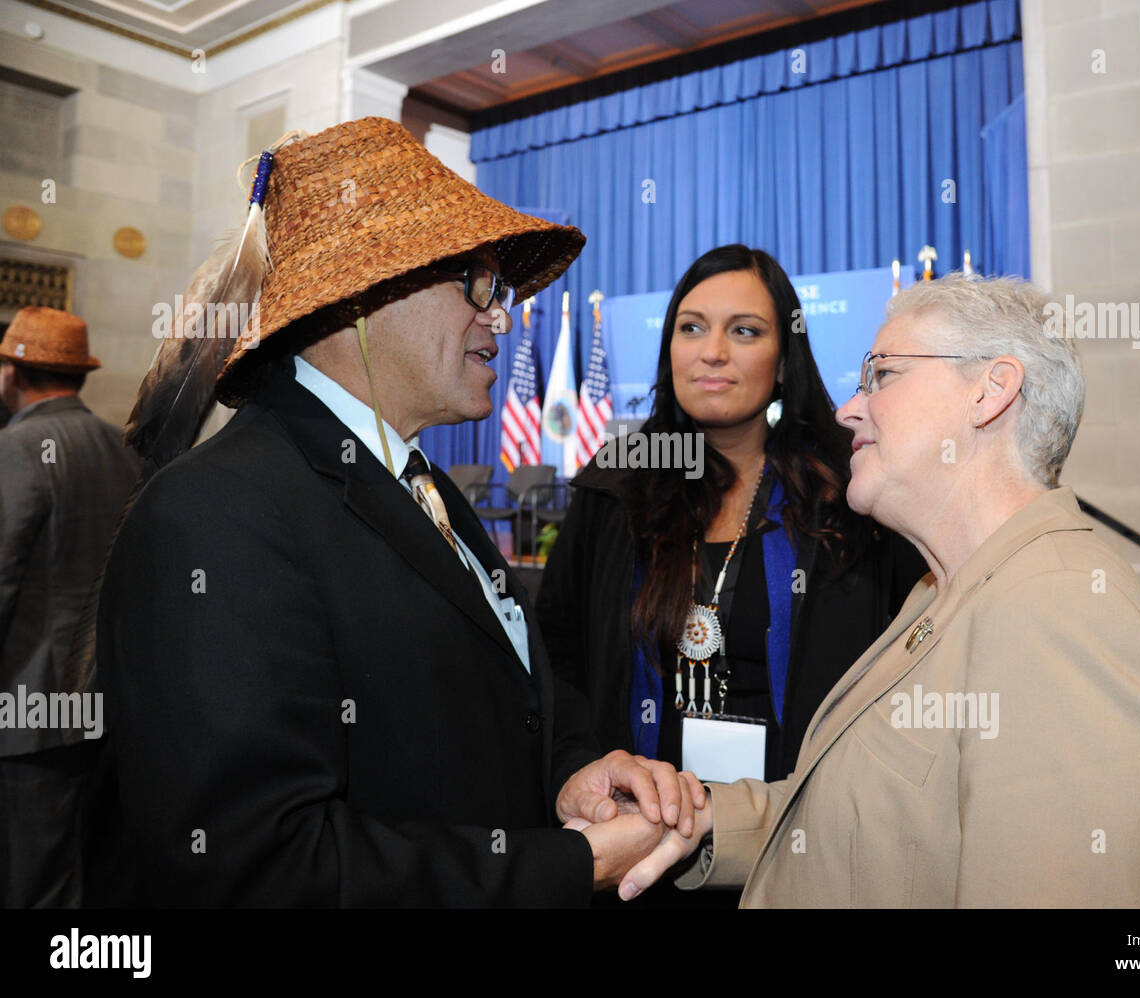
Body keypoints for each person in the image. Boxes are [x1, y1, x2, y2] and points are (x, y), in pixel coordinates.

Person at [93, 117, 701, 907]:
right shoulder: (211, 516)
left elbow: (490, 711)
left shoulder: (424, 488)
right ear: (361, 295)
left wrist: (568, 779)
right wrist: (568, 864)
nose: (503, 316)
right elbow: (256, 866)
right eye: (478, 284)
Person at [616, 273, 1140, 907]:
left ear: (990, 391)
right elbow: (861, 824)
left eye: (883, 376)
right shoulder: (945, 588)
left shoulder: (1061, 618)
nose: (848, 408)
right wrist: (695, 820)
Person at [540, 245, 923, 784]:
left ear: (785, 360)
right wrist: (586, 767)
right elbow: (559, 654)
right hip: (641, 822)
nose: (712, 352)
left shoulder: (849, 492)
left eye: (744, 331)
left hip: (803, 823)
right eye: (691, 328)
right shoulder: (616, 484)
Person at [0, 306, 141, 907]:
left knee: (31, 881)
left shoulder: (17, 447)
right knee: (86, 869)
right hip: (100, 702)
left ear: (12, 373)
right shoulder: (121, 449)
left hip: (26, 712)